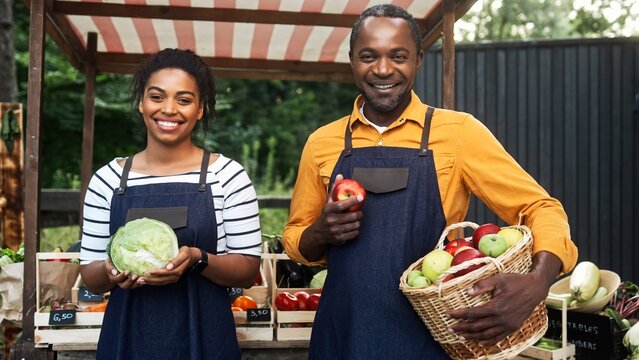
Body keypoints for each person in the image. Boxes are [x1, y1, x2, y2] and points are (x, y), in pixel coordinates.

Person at [282, 4, 578, 359]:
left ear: (418, 60)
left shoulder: (458, 133)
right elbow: (296, 237)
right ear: (352, 61)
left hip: (429, 340)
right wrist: (320, 234)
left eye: (399, 56)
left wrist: (537, 283)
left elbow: (541, 207)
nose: (382, 69)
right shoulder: (321, 144)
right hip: (342, 336)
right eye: (368, 56)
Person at [79, 48, 262, 360]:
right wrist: (111, 272)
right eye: (157, 96)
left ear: (200, 109)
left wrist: (196, 258)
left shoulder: (228, 176)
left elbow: (247, 269)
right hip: (127, 341)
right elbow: (90, 275)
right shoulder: (107, 180)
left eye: (184, 99)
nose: (168, 109)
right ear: (141, 103)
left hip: (206, 339)